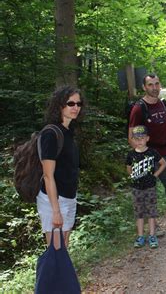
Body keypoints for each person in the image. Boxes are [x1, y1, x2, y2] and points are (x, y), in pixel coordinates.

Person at [128, 74, 166, 230]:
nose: (154, 88)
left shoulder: (163, 103)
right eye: (150, 85)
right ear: (144, 87)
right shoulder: (138, 108)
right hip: (147, 156)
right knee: (147, 191)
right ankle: (154, 226)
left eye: (156, 84)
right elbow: (131, 136)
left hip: (165, 153)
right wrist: (142, 156)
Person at [37, 86, 84, 247]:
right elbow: (48, 175)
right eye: (70, 103)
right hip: (54, 201)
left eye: (78, 104)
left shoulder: (69, 131)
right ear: (59, 105)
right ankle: (48, 274)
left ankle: (62, 274)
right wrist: (55, 211)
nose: (75, 107)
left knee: (63, 248)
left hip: (69, 198)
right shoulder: (50, 134)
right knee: (56, 250)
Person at [127, 126, 166, 248]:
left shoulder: (152, 152)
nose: (139, 141)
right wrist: (134, 177)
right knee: (139, 213)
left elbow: (163, 163)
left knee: (151, 212)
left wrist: (155, 175)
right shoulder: (131, 154)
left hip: (150, 187)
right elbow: (128, 168)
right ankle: (140, 236)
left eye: (142, 138)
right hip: (136, 188)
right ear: (132, 139)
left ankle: (152, 235)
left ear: (147, 138)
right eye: (136, 138)